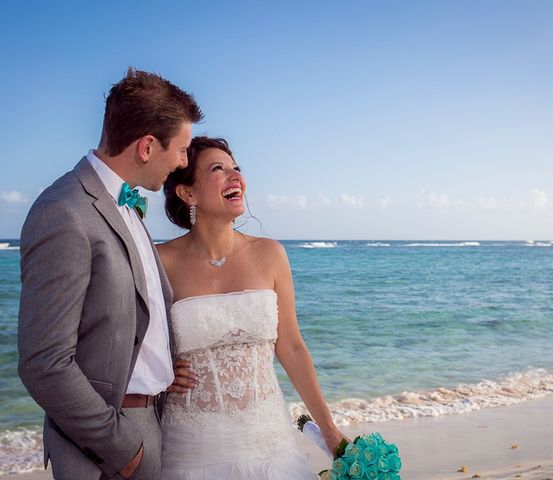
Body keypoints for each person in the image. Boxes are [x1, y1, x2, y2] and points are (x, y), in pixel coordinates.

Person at [18, 68, 203, 480]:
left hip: (149, 424)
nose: (183, 161)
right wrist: (121, 448)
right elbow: (43, 362)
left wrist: (164, 367)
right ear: (147, 146)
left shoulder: (129, 205)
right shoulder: (63, 212)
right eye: (182, 149)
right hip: (108, 450)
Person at [159, 136, 345, 479]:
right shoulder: (160, 261)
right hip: (191, 446)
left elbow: (290, 346)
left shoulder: (270, 253)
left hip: (269, 443)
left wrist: (330, 431)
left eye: (236, 168)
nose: (236, 177)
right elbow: (131, 342)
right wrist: (159, 373)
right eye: (218, 169)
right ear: (188, 193)